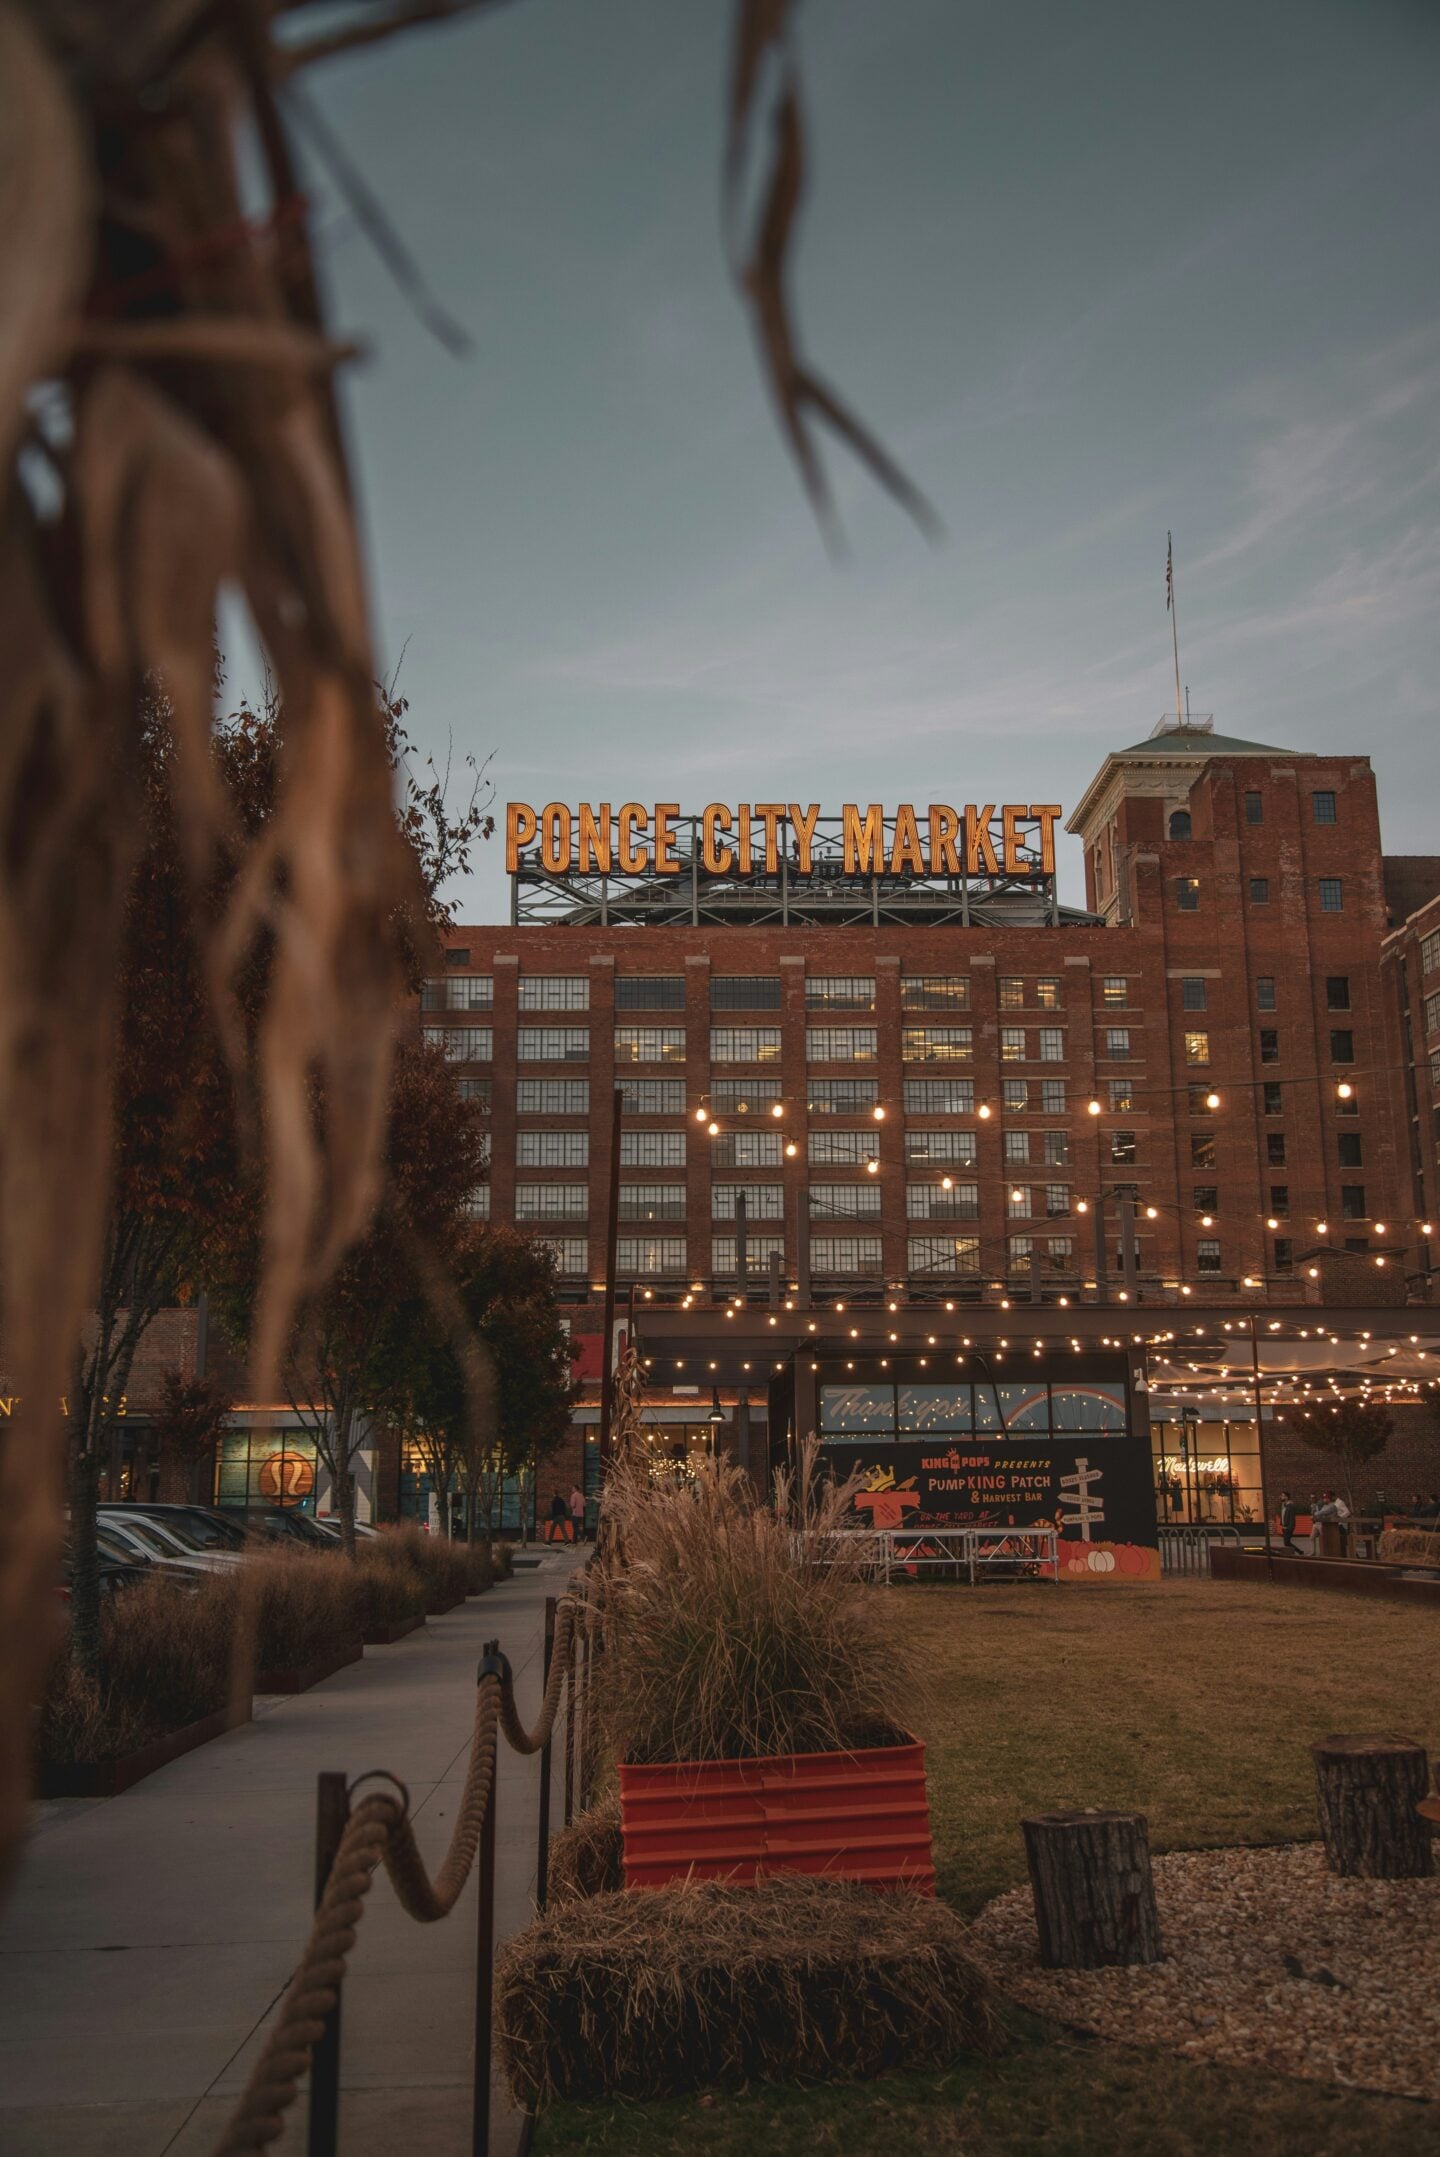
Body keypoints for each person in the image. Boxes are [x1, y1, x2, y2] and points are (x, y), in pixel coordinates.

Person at [1279, 1491, 1299, 1555]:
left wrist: (1290, 1527)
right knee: (1287, 1542)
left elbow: (1292, 1518)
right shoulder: (1284, 1505)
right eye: (1281, 1495)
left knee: (1287, 1542)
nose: (1281, 1497)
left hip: (1288, 1527)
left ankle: (1298, 1552)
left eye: (1283, 1496)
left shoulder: (1290, 1506)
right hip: (1284, 1527)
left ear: (1287, 1497)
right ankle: (1293, 1552)